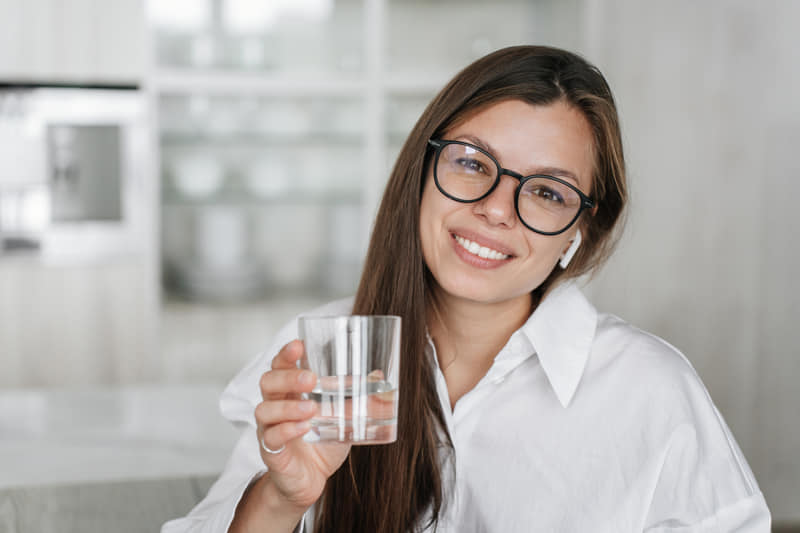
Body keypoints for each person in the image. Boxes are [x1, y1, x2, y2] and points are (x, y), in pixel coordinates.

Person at [162, 45, 771, 533]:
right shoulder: (324, 355)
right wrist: (281, 498)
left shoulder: (649, 392)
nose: (496, 209)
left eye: (547, 192)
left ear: (577, 234)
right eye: (473, 163)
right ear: (421, 172)